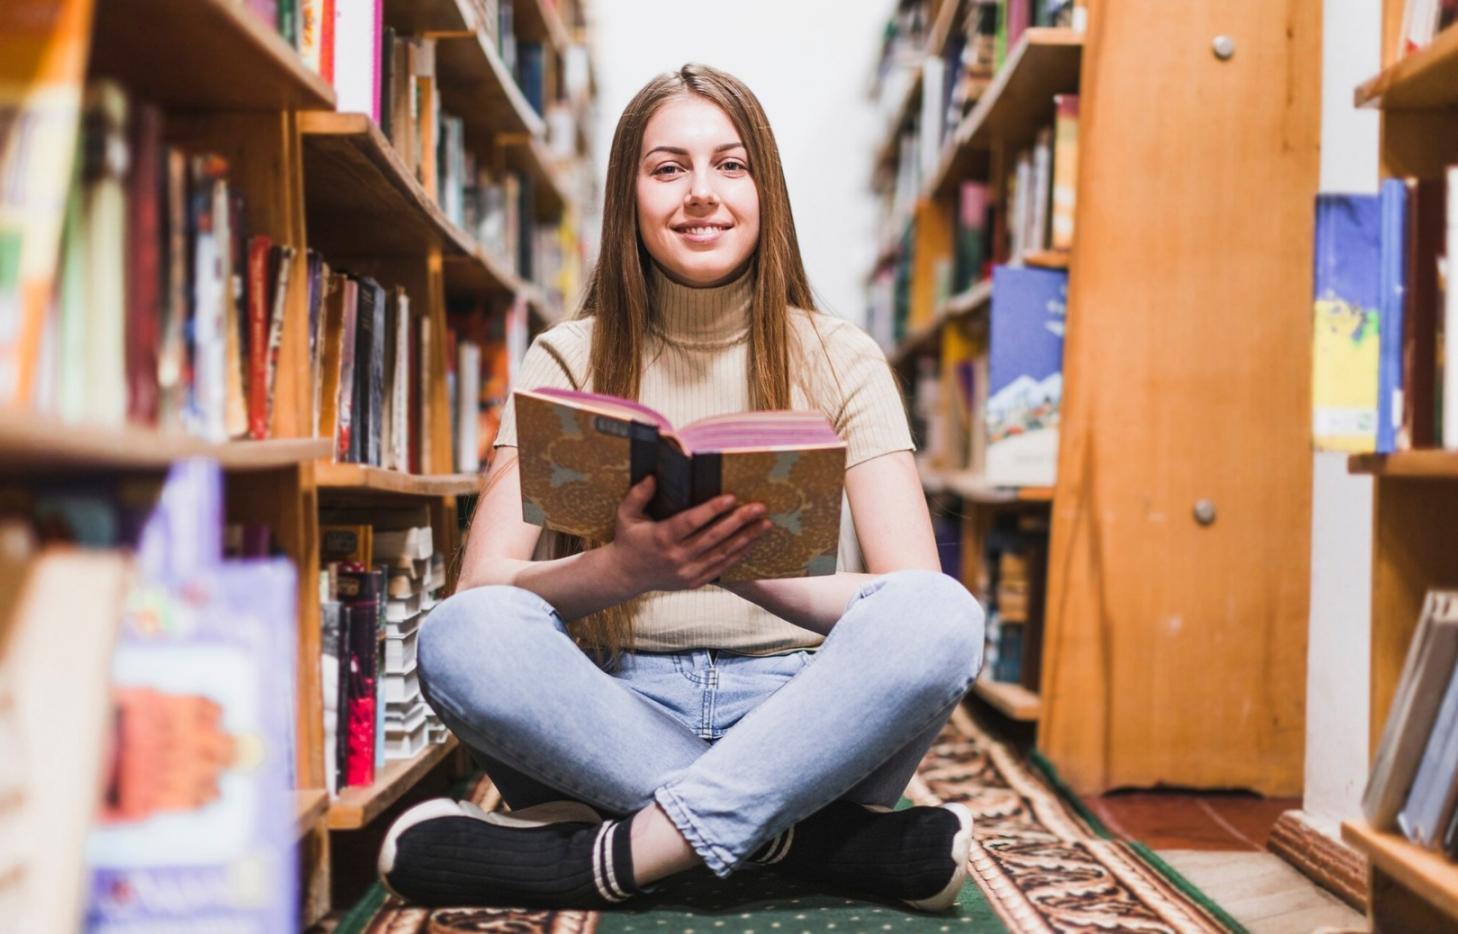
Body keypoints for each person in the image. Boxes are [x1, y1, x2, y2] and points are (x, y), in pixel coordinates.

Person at [378, 63, 985, 914]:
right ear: (628, 198)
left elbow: (907, 592)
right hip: (609, 710)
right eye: (669, 169)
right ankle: (809, 841)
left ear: (766, 191)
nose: (702, 192)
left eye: (730, 165)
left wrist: (740, 568)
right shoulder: (567, 356)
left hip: (805, 717)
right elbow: (486, 585)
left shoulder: (841, 355)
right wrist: (628, 571)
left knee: (943, 615)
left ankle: (608, 856)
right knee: (460, 633)